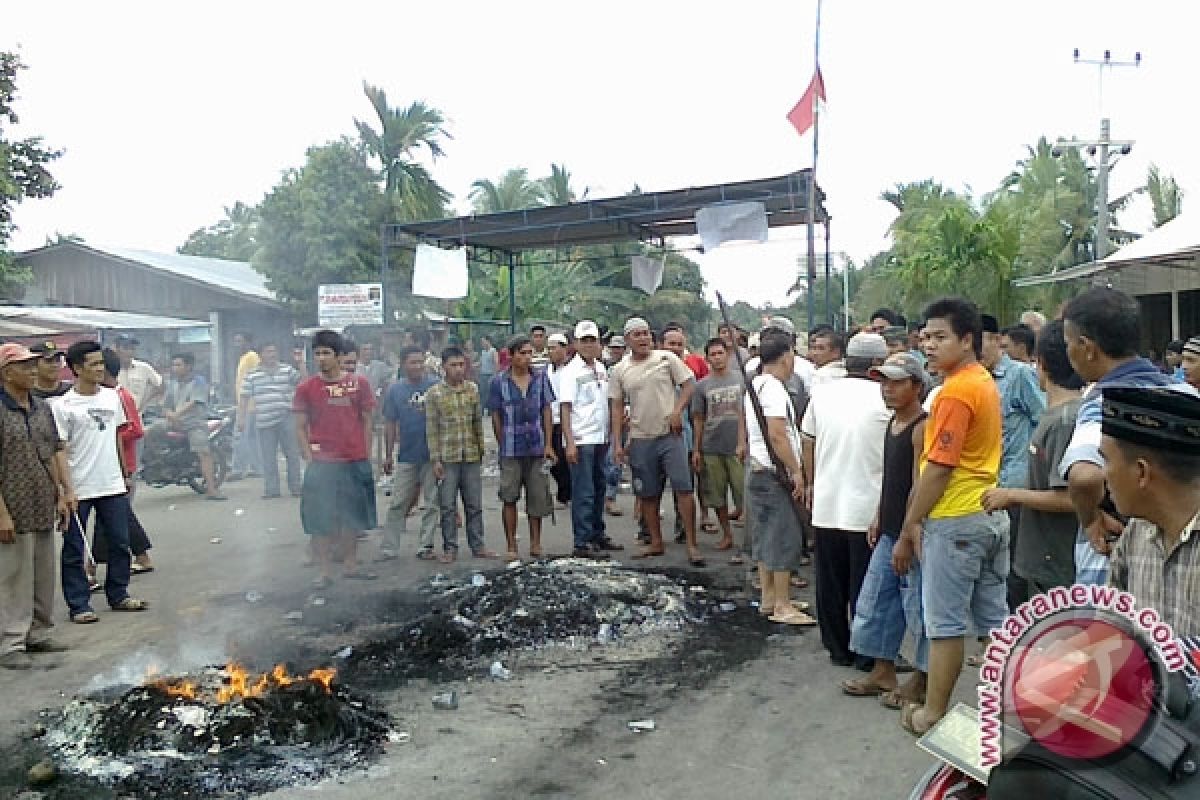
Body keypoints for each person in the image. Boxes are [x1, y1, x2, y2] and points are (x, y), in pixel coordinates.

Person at [891, 297, 1006, 736]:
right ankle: (1009, 706)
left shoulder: (957, 390)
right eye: (926, 337)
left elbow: (938, 469)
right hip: (988, 513)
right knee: (996, 621)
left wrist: (910, 525)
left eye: (940, 337)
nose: (930, 345)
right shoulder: (982, 381)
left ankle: (933, 712)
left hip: (956, 518)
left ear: (967, 340)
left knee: (945, 625)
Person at [1060, 288, 1193, 587]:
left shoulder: (1107, 402)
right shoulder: (1185, 393)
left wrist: (1090, 518)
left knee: (1110, 632)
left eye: (1068, 344)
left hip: (1115, 552)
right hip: (1184, 553)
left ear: (1087, 347)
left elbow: (1084, 476)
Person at [842, 352, 928, 704]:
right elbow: (890, 480)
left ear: (917, 386)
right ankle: (883, 671)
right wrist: (880, 516)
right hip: (891, 528)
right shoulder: (892, 424)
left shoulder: (922, 427)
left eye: (897, 383)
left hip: (914, 535)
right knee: (876, 601)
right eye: (884, 382)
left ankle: (923, 682)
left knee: (919, 609)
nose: (887, 390)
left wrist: (908, 535)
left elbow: (919, 486)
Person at [801, 332, 891, 668]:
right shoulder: (887, 397)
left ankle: (838, 648)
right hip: (869, 508)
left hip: (826, 503)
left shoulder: (823, 394)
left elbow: (807, 441)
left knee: (830, 582)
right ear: (878, 364)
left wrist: (811, 483)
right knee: (867, 585)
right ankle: (868, 654)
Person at [982, 320, 1083, 600]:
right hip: (1045, 557)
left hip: (1059, 562)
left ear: (1040, 363)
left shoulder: (1064, 421)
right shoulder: (1058, 416)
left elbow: (1070, 498)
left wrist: (1013, 494)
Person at [55, 341, 148, 624]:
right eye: (93, 364)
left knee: (120, 543)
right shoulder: (63, 406)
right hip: (79, 487)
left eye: (101, 363)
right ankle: (79, 604)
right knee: (74, 549)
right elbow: (59, 449)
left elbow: (117, 437)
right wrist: (65, 489)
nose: (100, 369)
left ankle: (118, 594)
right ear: (76, 369)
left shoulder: (112, 397)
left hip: (111, 484)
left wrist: (124, 472)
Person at [1104, 387, 1200, 637]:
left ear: (1141, 473)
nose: (1104, 475)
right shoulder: (1135, 534)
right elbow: (1111, 634)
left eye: (1107, 461)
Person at [611, 317, 703, 564]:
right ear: (628, 339)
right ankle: (656, 541)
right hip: (641, 438)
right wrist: (618, 444)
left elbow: (689, 385)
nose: (643, 339)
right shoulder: (620, 370)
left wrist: (677, 411)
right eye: (637, 335)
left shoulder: (666, 359)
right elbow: (617, 406)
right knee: (648, 494)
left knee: (684, 489)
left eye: (646, 334)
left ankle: (692, 545)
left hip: (670, 436)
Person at [0, 343, 70, 668]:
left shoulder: (41, 408)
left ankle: (38, 632)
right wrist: (1, 514)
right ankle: (10, 643)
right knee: (14, 576)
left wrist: (64, 492)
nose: (32, 371)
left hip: (42, 499)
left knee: (43, 571)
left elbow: (55, 449)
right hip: (11, 506)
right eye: (24, 366)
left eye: (33, 365)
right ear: (6, 372)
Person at [293, 330, 378, 588]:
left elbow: (367, 420)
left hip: (353, 459)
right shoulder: (306, 388)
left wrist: (366, 452)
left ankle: (351, 565)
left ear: (339, 356)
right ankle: (325, 571)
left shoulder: (358, 384)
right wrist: (309, 458)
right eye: (317, 353)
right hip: (322, 463)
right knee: (320, 518)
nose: (321, 358)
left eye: (326, 353)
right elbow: (299, 426)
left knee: (353, 516)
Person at [744, 331, 815, 626]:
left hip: (758, 468)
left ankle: (770, 598)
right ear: (787, 357)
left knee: (765, 536)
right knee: (783, 536)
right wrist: (796, 471)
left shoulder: (755, 384)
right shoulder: (772, 387)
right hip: (773, 473)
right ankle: (782, 604)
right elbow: (777, 434)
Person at [981, 313, 1046, 608]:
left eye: (979, 341)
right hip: (987, 486)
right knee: (994, 568)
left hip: (1016, 484)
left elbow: (1043, 421)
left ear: (996, 341)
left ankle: (1016, 640)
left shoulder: (1020, 375)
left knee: (1015, 569)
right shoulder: (976, 380)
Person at [487, 335, 556, 560]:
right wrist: (501, 442)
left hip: (536, 446)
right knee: (509, 497)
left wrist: (548, 443)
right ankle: (511, 545)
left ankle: (536, 543)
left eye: (529, 353)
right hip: (511, 447)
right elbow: (495, 415)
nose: (527, 358)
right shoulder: (498, 382)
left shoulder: (540, 379)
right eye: (522, 353)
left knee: (537, 497)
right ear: (512, 355)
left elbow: (546, 410)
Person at [90, 347, 155, 578]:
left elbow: (135, 429)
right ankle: (140, 556)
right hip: (109, 464)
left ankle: (92, 567)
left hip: (122, 464)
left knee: (112, 515)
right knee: (117, 514)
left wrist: (106, 434)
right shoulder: (105, 396)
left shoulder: (120, 396)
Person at [559, 320, 621, 557]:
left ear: (598, 343)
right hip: (581, 439)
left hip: (600, 438)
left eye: (592, 340)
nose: (588, 345)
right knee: (583, 492)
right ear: (575, 343)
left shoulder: (602, 369)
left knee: (599, 488)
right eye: (583, 341)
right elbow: (565, 408)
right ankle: (582, 542)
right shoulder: (570, 372)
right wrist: (570, 442)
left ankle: (597, 534)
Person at [426, 345, 493, 562]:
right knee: (447, 506)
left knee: (474, 504)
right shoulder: (435, 394)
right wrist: (435, 459)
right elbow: (432, 429)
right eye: (453, 365)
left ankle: (478, 545)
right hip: (447, 457)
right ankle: (450, 548)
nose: (458, 369)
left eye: (461, 365)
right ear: (444, 367)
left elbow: (477, 423)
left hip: (471, 456)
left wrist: (481, 451)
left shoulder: (472, 389)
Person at [380, 346, 439, 561]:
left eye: (420, 361)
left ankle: (426, 546)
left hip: (432, 454)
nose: (417, 366)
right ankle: (389, 547)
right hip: (406, 454)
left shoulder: (435, 386)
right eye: (413, 362)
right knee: (398, 502)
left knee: (432, 503)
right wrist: (388, 454)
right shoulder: (395, 390)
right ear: (403, 365)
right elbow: (390, 423)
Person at [691, 337, 745, 553]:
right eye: (712, 354)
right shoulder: (702, 386)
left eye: (720, 353)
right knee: (717, 495)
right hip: (712, 446)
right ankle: (727, 535)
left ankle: (749, 542)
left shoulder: (742, 380)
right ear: (707, 358)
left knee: (743, 494)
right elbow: (698, 418)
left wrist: (745, 441)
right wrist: (696, 448)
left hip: (737, 447)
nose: (717, 358)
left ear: (727, 355)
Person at [152, 353, 224, 501]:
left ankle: (211, 489)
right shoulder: (173, 384)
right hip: (174, 422)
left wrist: (176, 415)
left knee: (203, 453)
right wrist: (170, 415)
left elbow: (194, 403)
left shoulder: (199, 382)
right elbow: (166, 406)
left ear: (188, 366)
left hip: (194, 424)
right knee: (148, 432)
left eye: (178, 365)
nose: (175, 368)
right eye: (174, 365)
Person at [240, 343, 303, 499]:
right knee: (268, 457)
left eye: (274, 351)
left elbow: (303, 383)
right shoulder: (252, 375)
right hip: (265, 421)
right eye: (268, 351)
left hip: (286, 417)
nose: (272, 354)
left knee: (292, 454)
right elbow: (244, 398)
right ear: (261, 354)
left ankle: (296, 487)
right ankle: (272, 490)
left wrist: (301, 363)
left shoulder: (287, 370)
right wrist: (241, 419)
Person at [228, 332, 261, 481]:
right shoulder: (244, 358)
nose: (236, 344)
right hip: (246, 405)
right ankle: (257, 468)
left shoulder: (252, 357)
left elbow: (257, 378)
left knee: (240, 437)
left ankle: (237, 469)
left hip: (249, 406)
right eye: (235, 341)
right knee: (252, 439)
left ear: (247, 342)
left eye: (239, 341)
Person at [546, 333, 573, 507]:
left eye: (554, 347)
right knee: (554, 460)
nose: (550, 352)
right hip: (550, 420)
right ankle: (565, 492)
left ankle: (566, 495)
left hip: (567, 420)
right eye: (548, 348)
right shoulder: (547, 371)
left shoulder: (572, 370)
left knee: (564, 459)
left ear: (564, 348)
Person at [115, 334, 163, 412]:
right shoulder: (109, 369)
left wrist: (144, 402)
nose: (129, 352)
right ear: (117, 349)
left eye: (132, 349)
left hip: (137, 416)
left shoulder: (144, 367)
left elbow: (160, 385)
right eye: (125, 348)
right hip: (116, 417)